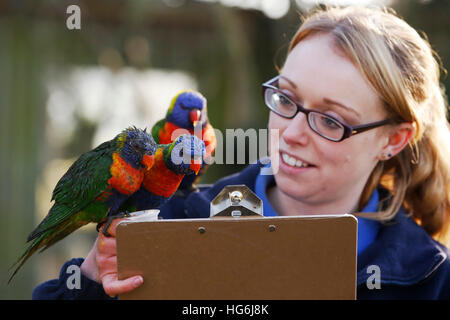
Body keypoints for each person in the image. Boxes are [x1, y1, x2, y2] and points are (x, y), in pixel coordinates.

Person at [33, 5, 450, 300]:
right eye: (285, 99)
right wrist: (90, 284)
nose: (291, 134)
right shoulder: (172, 221)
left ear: (393, 139)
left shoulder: (429, 278)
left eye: (330, 121)